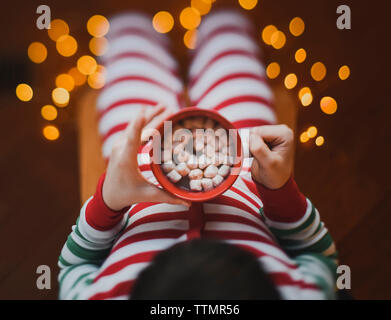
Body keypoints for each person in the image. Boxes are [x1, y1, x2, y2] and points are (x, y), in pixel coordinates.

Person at [58, 10, 338, 300]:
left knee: (130, 33)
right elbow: (315, 254)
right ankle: (218, 21)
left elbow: (75, 265)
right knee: (227, 32)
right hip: (247, 166)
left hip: (133, 179)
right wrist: (279, 192)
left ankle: (136, 24)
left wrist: (107, 204)